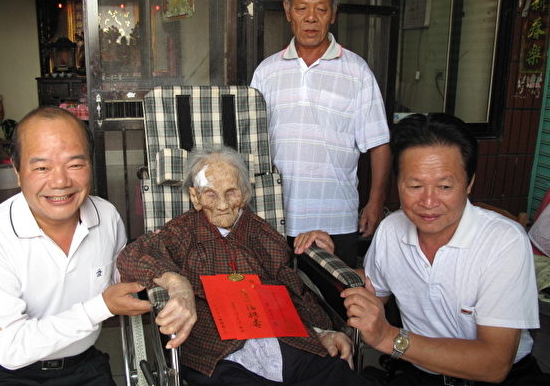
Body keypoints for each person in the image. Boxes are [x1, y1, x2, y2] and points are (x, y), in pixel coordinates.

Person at [117, 145, 371, 386]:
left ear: (245, 192)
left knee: (338, 376)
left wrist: (321, 331)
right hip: (219, 354)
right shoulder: (182, 232)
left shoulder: (263, 234)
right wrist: (177, 283)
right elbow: (133, 254)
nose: (222, 204)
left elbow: (293, 286)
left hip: (287, 343)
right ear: (195, 197)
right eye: (210, 194)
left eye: (231, 192)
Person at [342, 113, 550, 385]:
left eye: (444, 186)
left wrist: (388, 337)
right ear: (398, 183)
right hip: (421, 372)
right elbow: (373, 293)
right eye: (415, 186)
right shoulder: (392, 229)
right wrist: (326, 257)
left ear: (469, 183)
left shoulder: (504, 241)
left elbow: (494, 364)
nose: (429, 202)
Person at [0, 107, 151, 385]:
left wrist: (162, 273)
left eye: (75, 165)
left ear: (90, 164)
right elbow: (11, 349)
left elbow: (122, 276)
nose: (60, 182)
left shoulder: (106, 216)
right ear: (17, 171)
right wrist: (101, 307)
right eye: (42, 168)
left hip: (81, 365)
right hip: (1, 371)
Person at [250, 0, 391, 267]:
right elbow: (251, 143)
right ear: (288, 11)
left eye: (321, 9)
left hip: (336, 218)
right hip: (275, 216)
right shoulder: (267, 71)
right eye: (302, 8)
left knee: (334, 294)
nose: (311, 17)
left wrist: (375, 202)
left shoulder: (357, 71)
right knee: (276, 293)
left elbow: (379, 144)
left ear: (333, 14)